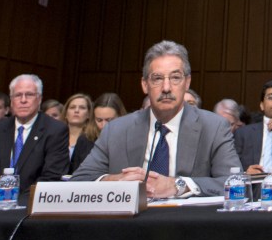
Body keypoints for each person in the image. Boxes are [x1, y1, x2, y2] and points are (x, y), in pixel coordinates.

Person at [71, 40, 241, 197]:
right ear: (145, 85)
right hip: (129, 226)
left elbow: (235, 183)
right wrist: (113, 182)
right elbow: (79, 181)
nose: (166, 88)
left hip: (187, 226)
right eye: (157, 78)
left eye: (175, 78)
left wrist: (178, 185)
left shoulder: (214, 127)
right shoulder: (116, 129)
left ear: (187, 83)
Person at [0, 74, 68, 200]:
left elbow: (51, 177)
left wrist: (17, 203)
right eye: (18, 95)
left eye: (29, 95)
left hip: (29, 206)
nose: (23, 100)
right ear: (11, 99)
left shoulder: (55, 130)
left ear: (39, 98)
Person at [62, 93, 99, 174]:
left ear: (89, 114)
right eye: (72, 107)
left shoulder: (93, 139)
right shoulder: (56, 137)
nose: (76, 110)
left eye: (82, 108)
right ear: (65, 113)